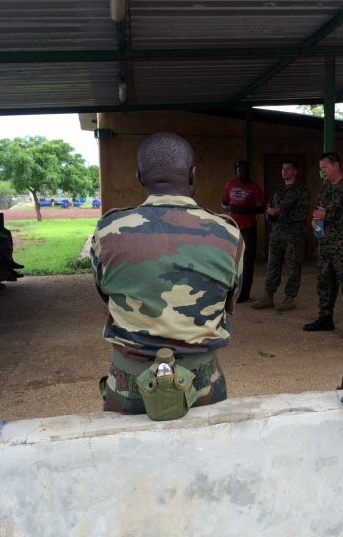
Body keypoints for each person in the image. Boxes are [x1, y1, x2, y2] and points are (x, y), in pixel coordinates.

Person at [91, 132, 244, 415]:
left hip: (129, 386)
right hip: (203, 385)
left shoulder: (108, 232)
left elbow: (105, 293)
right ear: (192, 175)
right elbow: (229, 301)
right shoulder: (228, 234)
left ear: (139, 176)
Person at [303, 152, 343, 340]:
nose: (321, 171)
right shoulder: (326, 189)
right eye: (320, 168)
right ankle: (325, 318)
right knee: (324, 283)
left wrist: (327, 216)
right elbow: (319, 209)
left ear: (336, 166)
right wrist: (315, 221)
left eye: (324, 167)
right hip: (326, 244)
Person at [250, 159, 309, 312]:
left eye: (288, 169)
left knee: (293, 267)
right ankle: (268, 296)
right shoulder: (279, 190)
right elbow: (269, 208)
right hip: (277, 234)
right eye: (282, 169)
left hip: (294, 235)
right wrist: (270, 214)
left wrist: (278, 213)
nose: (284, 172)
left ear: (295, 171)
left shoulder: (302, 190)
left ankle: (290, 298)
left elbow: (301, 214)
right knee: (272, 266)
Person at [221, 160, 265, 303]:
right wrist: (229, 208)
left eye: (245, 171)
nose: (242, 173)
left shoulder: (254, 187)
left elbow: (261, 208)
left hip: (248, 228)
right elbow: (224, 203)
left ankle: (244, 293)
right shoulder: (230, 185)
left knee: (247, 261)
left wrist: (247, 210)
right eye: (240, 171)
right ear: (236, 171)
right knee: (230, 258)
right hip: (232, 225)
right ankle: (229, 290)